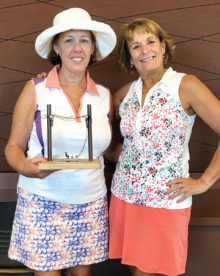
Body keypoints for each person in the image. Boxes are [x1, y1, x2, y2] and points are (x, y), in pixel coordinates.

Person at [5, 8, 116, 276]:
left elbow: (108, 148)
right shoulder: (36, 89)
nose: (77, 48)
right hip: (43, 200)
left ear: (93, 48)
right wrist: (26, 167)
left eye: (84, 40)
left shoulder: (103, 95)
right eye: (68, 40)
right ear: (56, 46)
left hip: (90, 201)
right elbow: (13, 147)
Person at [107, 18, 220, 276]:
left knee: (161, 270)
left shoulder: (185, 85)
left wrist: (204, 182)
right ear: (129, 57)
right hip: (125, 195)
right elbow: (90, 121)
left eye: (150, 41)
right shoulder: (126, 93)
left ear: (163, 47)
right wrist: (51, 81)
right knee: (137, 270)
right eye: (135, 46)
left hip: (166, 199)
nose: (144, 50)